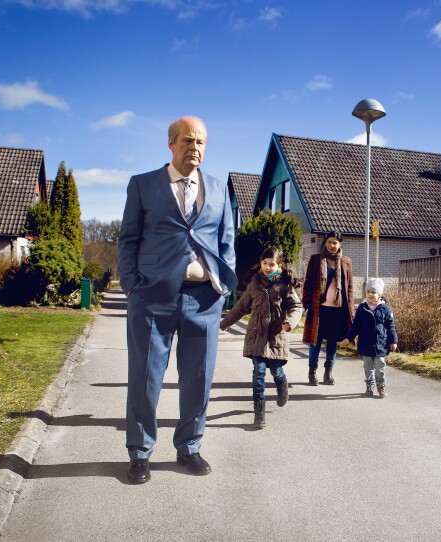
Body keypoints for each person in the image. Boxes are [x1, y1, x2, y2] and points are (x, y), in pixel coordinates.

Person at [118, 116, 237, 484]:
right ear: (171, 144)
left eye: (201, 142)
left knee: (198, 380)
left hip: (203, 302)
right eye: (187, 141)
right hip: (152, 298)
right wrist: (132, 285)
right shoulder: (143, 185)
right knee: (145, 378)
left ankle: (189, 447)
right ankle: (140, 453)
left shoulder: (219, 189)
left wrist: (221, 287)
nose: (195, 148)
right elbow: (128, 240)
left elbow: (227, 243)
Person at [220, 247, 302, 428]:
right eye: (264, 263)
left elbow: (296, 306)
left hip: (276, 337)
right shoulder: (254, 284)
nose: (267, 267)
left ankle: (282, 384)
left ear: (279, 265)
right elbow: (240, 307)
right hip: (256, 336)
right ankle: (259, 414)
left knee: (276, 371)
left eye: (271, 264)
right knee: (259, 373)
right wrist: (225, 323)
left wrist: (290, 322)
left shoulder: (284, 285)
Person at [301, 231, 354, 386]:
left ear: (340, 244)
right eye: (330, 242)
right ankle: (312, 372)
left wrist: (351, 310)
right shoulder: (316, 259)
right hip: (319, 310)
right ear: (325, 243)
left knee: (332, 343)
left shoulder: (346, 262)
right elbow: (308, 284)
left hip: (337, 311)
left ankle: (328, 372)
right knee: (315, 342)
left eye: (335, 242)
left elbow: (349, 288)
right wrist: (306, 304)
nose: (332, 245)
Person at [340, 278, 398, 398]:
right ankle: (369, 386)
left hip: (380, 344)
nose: (370, 294)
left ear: (380, 294)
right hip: (365, 344)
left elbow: (391, 327)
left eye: (373, 292)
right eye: (368, 291)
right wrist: (348, 338)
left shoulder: (385, 309)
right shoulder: (362, 308)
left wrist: (393, 340)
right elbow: (355, 327)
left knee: (380, 366)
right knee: (368, 367)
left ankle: (381, 387)